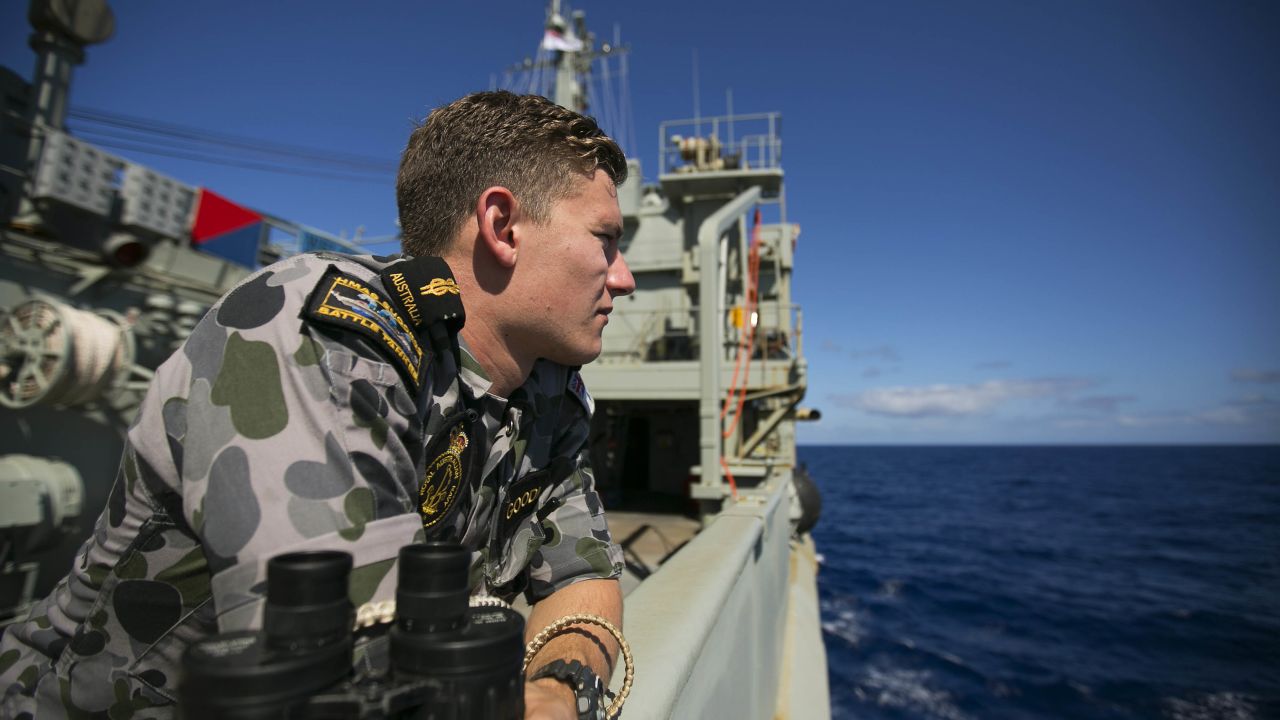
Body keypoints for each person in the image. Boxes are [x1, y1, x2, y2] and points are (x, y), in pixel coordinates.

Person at [0, 90, 634, 720]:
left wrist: (558, 687)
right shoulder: (319, 332)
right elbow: (341, 664)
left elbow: (585, 577)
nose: (623, 277)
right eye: (605, 239)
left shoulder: (546, 399)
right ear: (503, 226)